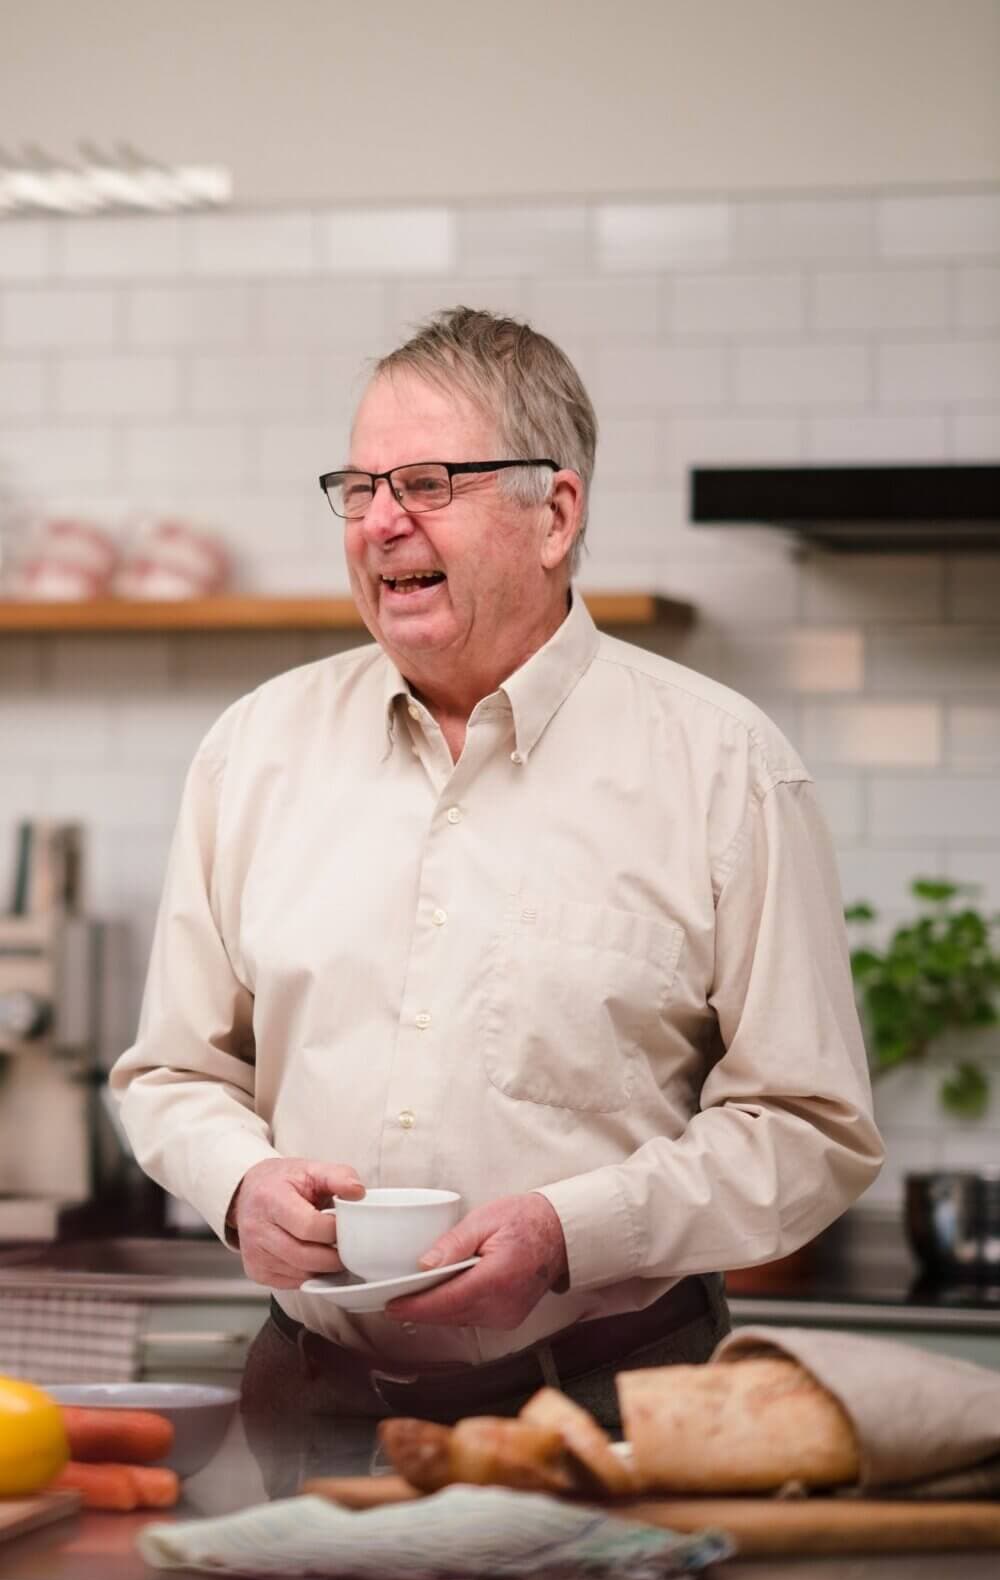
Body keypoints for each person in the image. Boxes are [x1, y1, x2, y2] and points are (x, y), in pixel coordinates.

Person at [111, 307, 883, 1481]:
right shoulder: (250, 750)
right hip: (308, 1410)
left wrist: (570, 1233)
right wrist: (239, 1185)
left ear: (555, 515)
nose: (380, 522)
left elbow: (810, 1127)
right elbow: (172, 1072)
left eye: (427, 481)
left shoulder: (725, 765)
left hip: (612, 1416)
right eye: (359, 486)